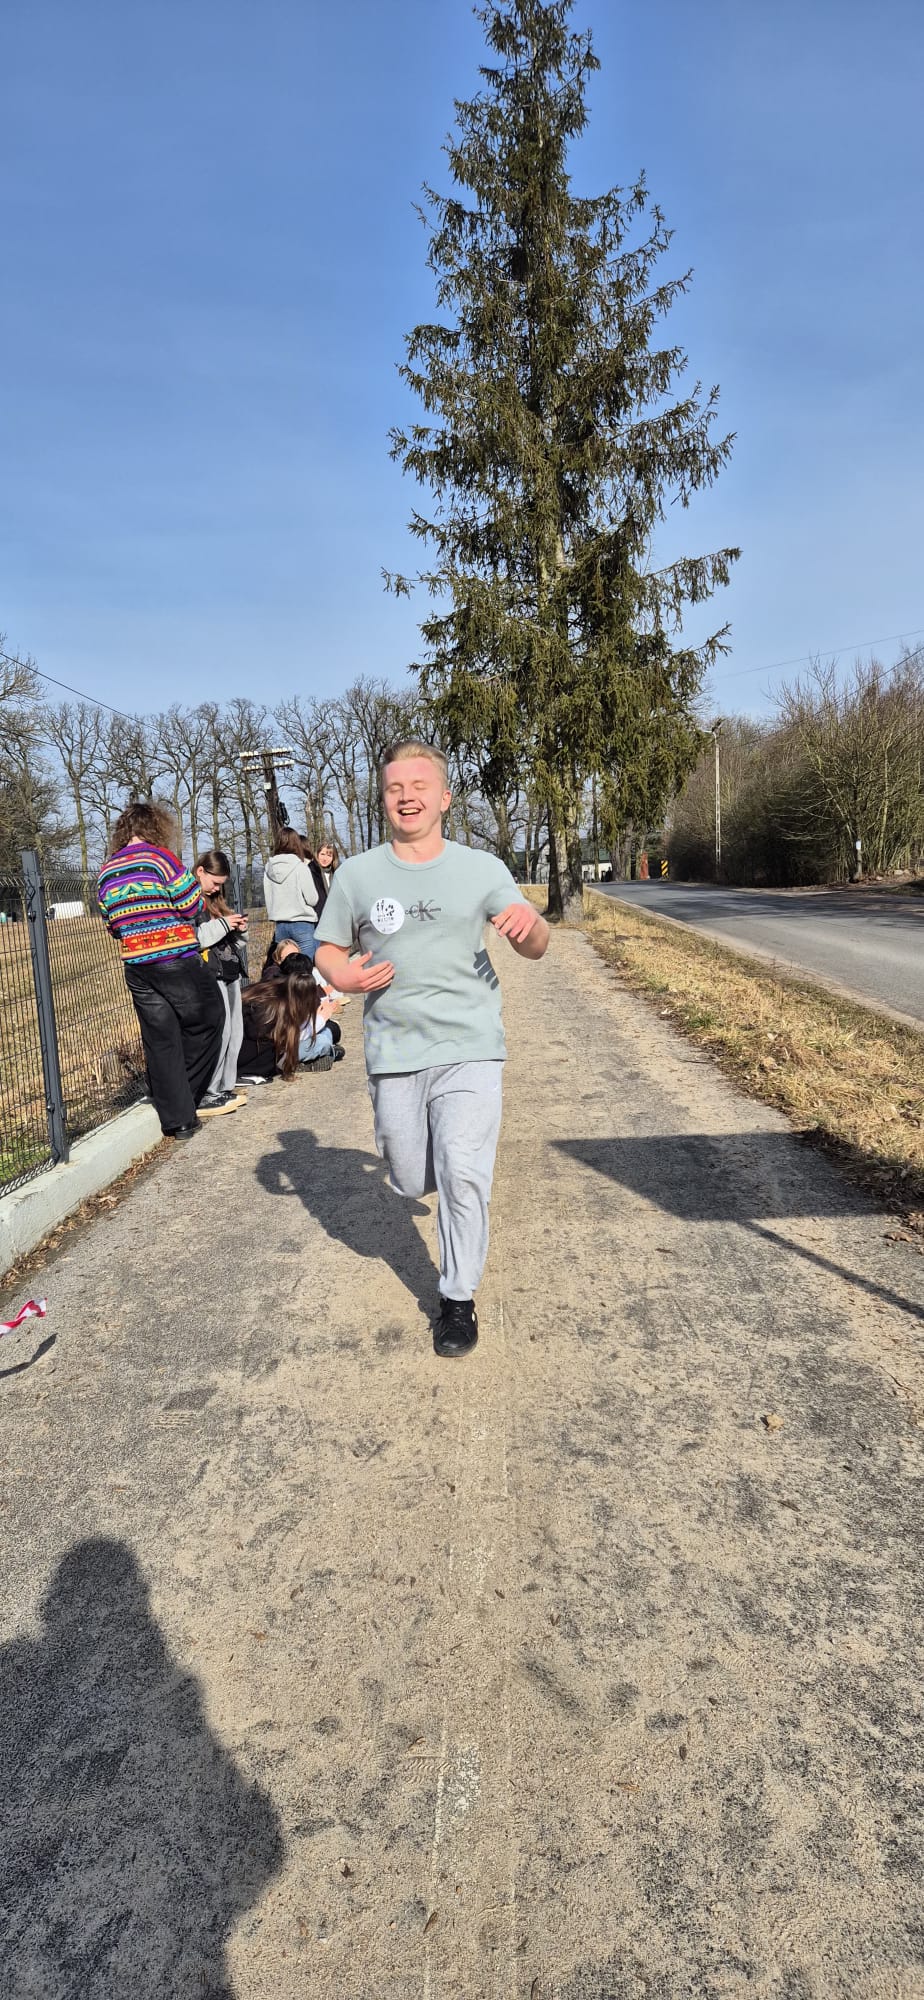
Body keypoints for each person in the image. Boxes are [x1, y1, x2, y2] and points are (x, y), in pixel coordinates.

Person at [314, 739, 549, 1359]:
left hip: (470, 1042)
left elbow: (535, 941)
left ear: (444, 798)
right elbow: (328, 949)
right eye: (395, 788)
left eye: (419, 787)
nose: (407, 797)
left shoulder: (481, 868)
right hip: (394, 1049)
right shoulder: (357, 875)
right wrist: (344, 976)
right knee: (411, 1173)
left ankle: (457, 1298)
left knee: (462, 1171)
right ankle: (421, 1179)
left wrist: (530, 930)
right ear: (383, 799)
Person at [97, 801, 224, 1140]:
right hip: (174, 958)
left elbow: (111, 924)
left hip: (137, 964)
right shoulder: (161, 858)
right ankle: (183, 1096)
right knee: (209, 1018)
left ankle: (178, 1120)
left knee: (160, 1039)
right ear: (156, 826)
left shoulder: (107, 870)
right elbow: (191, 905)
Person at [193, 849, 248, 1117]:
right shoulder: (190, 902)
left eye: (221, 884)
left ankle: (224, 1087)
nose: (217, 889)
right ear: (200, 871)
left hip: (229, 970)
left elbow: (231, 942)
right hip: (209, 973)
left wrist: (240, 931)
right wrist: (224, 925)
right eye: (215, 883)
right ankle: (208, 1091)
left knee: (235, 1032)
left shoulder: (216, 902)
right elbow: (197, 938)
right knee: (221, 1032)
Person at [237, 962, 341, 1084]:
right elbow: (291, 1039)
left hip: (244, 1054)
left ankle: (328, 1044)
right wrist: (321, 1019)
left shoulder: (269, 993)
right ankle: (326, 1051)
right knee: (322, 1041)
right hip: (264, 1060)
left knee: (329, 1031)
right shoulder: (274, 1012)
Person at [261, 829, 324, 959]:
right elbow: (312, 899)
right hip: (302, 923)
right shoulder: (300, 867)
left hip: (280, 925)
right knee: (305, 966)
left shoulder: (268, 869)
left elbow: (269, 898)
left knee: (284, 966)